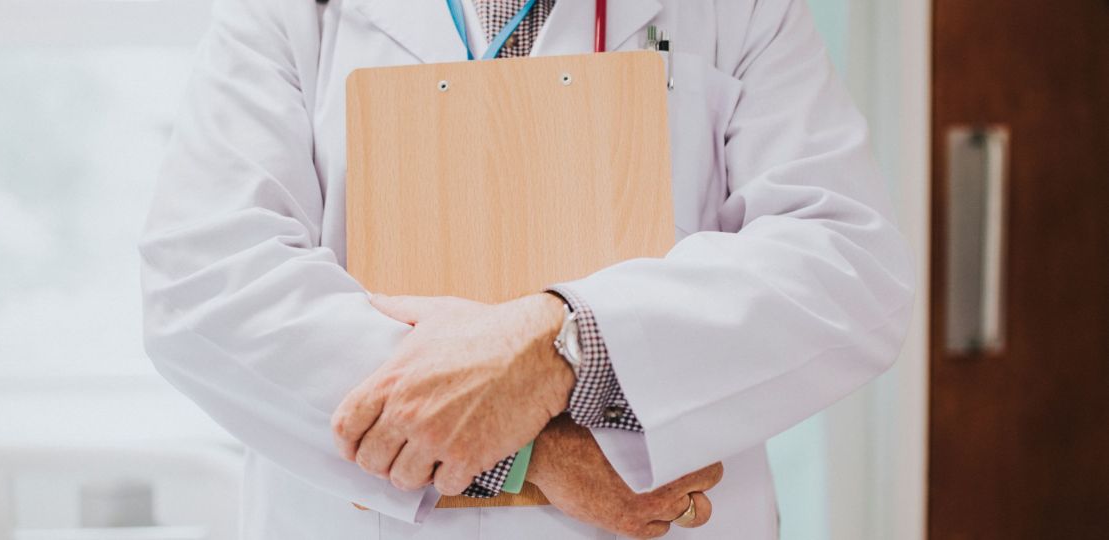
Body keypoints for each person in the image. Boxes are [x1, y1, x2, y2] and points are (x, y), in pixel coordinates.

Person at [139, 0, 915, 538]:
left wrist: (563, 344)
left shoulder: (738, 10)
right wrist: (519, 452)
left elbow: (847, 266)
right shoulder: (289, 14)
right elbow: (205, 282)